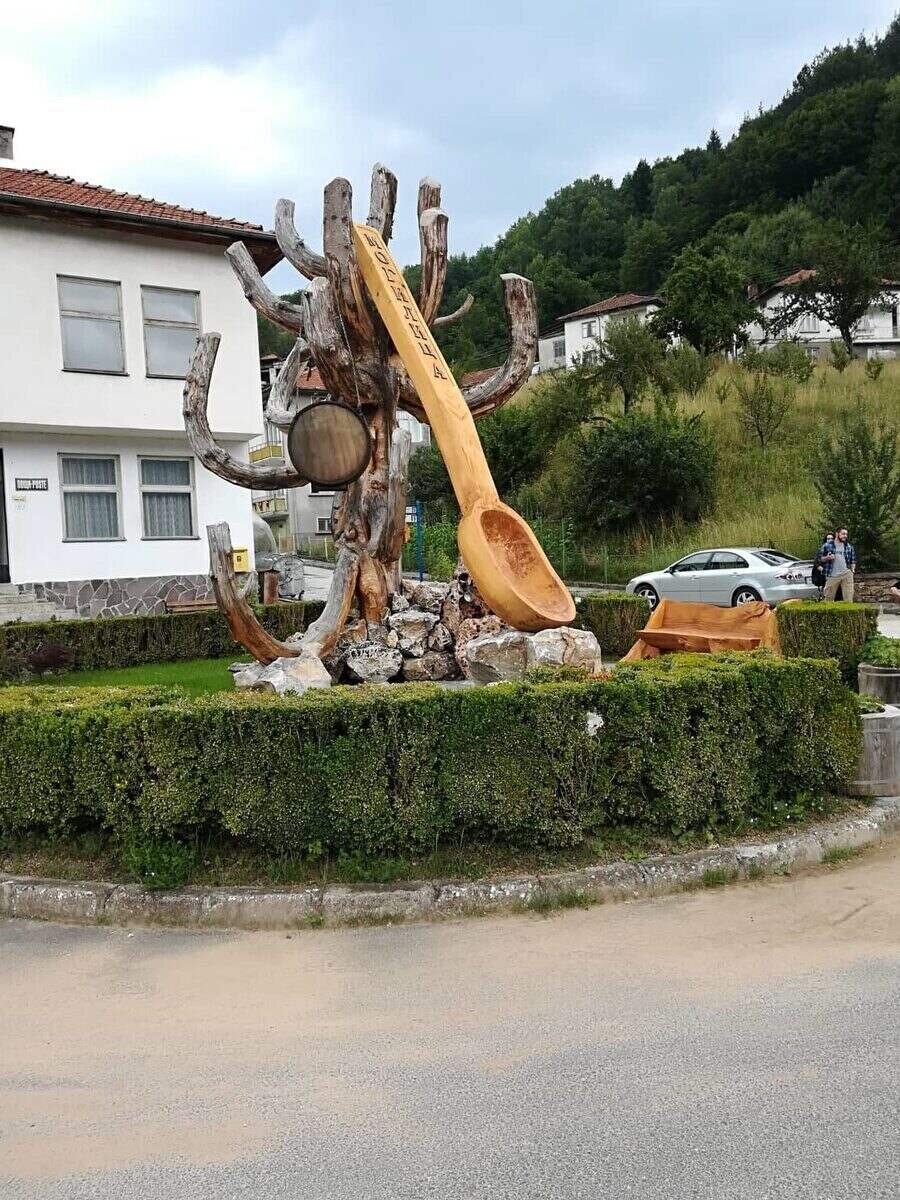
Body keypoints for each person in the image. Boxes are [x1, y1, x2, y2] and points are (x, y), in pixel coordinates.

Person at [822, 527, 856, 602]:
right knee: (828, 598)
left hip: (846, 574)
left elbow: (853, 560)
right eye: (843, 534)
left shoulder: (849, 546)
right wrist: (827, 557)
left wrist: (852, 570)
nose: (845, 536)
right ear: (837, 534)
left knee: (848, 598)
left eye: (846, 534)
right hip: (832, 574)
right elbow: (819, 559)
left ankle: (848, 609)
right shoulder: (827, 545)